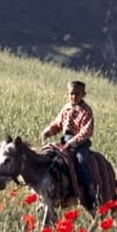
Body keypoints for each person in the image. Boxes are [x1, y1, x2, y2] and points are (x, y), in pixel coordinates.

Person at [41, 80, 95, 209]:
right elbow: (58, 123)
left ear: (84, 94)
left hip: (80, 143)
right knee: (50, 155)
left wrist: (74, 141)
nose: (74, 97)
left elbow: (87, 130)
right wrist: (48, 131)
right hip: (65, 140)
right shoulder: (66, 108)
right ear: (68, 94)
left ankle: (88, 189)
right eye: (71, 94)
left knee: (81, 160)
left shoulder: (86, 111)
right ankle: (55, 190)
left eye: (77, 94)